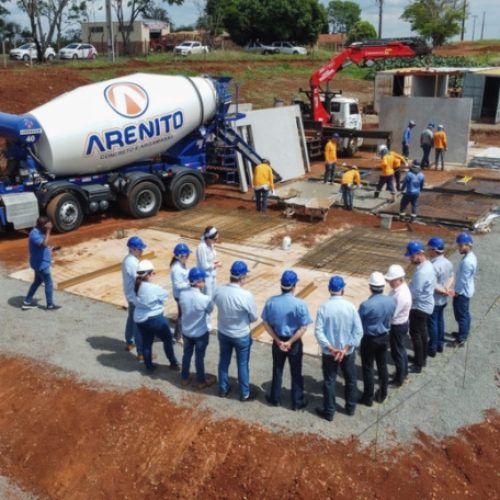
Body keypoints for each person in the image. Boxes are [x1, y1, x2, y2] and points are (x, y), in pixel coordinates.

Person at [261, 270, 312, 410]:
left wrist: (278, 340)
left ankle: (274, 398)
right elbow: (303, 327)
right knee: (296, 371)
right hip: (294, 342)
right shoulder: (300, 304)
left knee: (277, 369)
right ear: (294, 285)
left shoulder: (271, 302)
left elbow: (265, 323)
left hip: (278, 341)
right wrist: (289, 342)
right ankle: (297, 402)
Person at [314, 276, 363, 421]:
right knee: (351, 379)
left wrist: (331, 348)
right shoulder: (351, 307)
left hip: (330, 353)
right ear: (343, 290)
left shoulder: (323, 307)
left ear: (329, 289)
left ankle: (329, 411)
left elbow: (318, 331)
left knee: (329, 380)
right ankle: (350, 407)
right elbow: (358, 331)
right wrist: (345, 348)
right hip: (347, 353)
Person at [213, 260, 258, 401]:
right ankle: (244, 393)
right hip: (241, 334)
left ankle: (223, 389)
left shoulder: (219, 290)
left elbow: (216, 304)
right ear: (242, 277)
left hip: (224, 332)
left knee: (224, 361)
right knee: (242, 363)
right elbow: (254, 317)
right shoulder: (246, 295)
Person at [133, 260, 180, 372]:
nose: (153, 275)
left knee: (147, 342)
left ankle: (149, 367)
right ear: (148, 274)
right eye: (153, 273)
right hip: (155, 319)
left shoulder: (136, 286)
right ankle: (173, 362)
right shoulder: (153, 288)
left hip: (140, 319)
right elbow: (165, 295)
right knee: (168, 339)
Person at [358, 272, 396, 406]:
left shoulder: (366, 305)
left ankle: (368, 397)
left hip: (369, 339)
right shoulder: (391, 301)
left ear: (370, 287)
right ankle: (382, 393)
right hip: (384, 337)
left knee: (368, 367)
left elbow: (359, 323)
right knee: (382, 366)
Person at [179, 267, 216, 389]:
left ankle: (184, 378)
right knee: (199, 357)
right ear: (199, 282)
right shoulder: (204, 299)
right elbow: (210, 310)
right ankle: (201, 380)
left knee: (187, 354)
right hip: (200, 333)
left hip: (186, 332)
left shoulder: (182, 295)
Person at [405, 241, 436, 374]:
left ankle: (418, 364)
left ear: (419, 254)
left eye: (412, 256)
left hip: (419, 307)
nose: (410, 259)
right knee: (423, 334)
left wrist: (406, 290)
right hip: (426, 305)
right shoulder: (427, 266)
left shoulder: (422, 272)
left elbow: (415, 293)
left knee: (416, 335)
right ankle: (421, 358)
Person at [22, 216, 61, 311]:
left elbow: (42, 246)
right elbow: (43, 244)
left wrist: (51, 249)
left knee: (37, 281)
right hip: (41, 265)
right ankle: (50, 305)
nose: (51, 226)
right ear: (44, 226)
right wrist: (48, 231)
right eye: (49, 225)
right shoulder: (34, 234)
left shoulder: (39, 231)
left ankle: (27, 302)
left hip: (39, 263)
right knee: (49, 283)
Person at [385, 264, 412, 387]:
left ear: (399, 279)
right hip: (400, 324)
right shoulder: (398, 290)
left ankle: (399, 379)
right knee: (400, 350)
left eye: (391, 280)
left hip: (397, 326)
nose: (389, 282)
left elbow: (392, 314)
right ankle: (404, 372)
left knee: (397, 352)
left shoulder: (401, 295)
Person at [426, 237, 454, 356]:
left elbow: (432, 285)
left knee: (432, 324)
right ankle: (440, 345)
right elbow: (452, 276)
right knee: (440, 321)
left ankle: (432, 348)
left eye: (429, 249)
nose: (427, 251)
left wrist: (442, 290)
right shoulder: (447, 262)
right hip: (443, 300)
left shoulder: (433, 266)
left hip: (435, 300)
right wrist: (447, 289)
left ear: (434, 250)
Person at [121, 236, 145, 359]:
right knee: (138, 324)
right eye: (140, 249)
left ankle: (129, 341)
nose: (142, 252)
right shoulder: (131, 262)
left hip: (131, 296)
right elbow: (139, 278)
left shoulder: (130, 259)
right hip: (134, 297)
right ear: (133, 249)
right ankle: (141, 353)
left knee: (131, 318)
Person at [451, 233, 477, 347]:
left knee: (461, 315)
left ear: (468, 245)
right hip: (466, 290)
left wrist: (456, 292)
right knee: (465, 314)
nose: (458, 248)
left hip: (462, 292)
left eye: (461, 246)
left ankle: (462, 338)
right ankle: (464, 332)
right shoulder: (471, 256)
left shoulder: (467, 261)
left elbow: (463, 280)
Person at [170, 243, 192, 342]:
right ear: (180, 256)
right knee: (182, 316)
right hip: (180, 295)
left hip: (183, 294)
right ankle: (178, 336)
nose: (188, 257)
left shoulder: (181, 264)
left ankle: (179, 334)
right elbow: (178, 285)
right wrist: (190, 284)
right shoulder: (176, 269)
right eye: (187, 255)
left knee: (183, 315)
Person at [196, 226, 221, 300]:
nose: (216, 241)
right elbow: (204, 265)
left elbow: (210, 258)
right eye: (215, 239)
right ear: (209, 238)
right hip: (205, 278)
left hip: (212, 274)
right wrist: (215, 265)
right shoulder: (201, 247)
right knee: (207, 298)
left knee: (213, 297)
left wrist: (214, 262)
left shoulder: (211, 244)